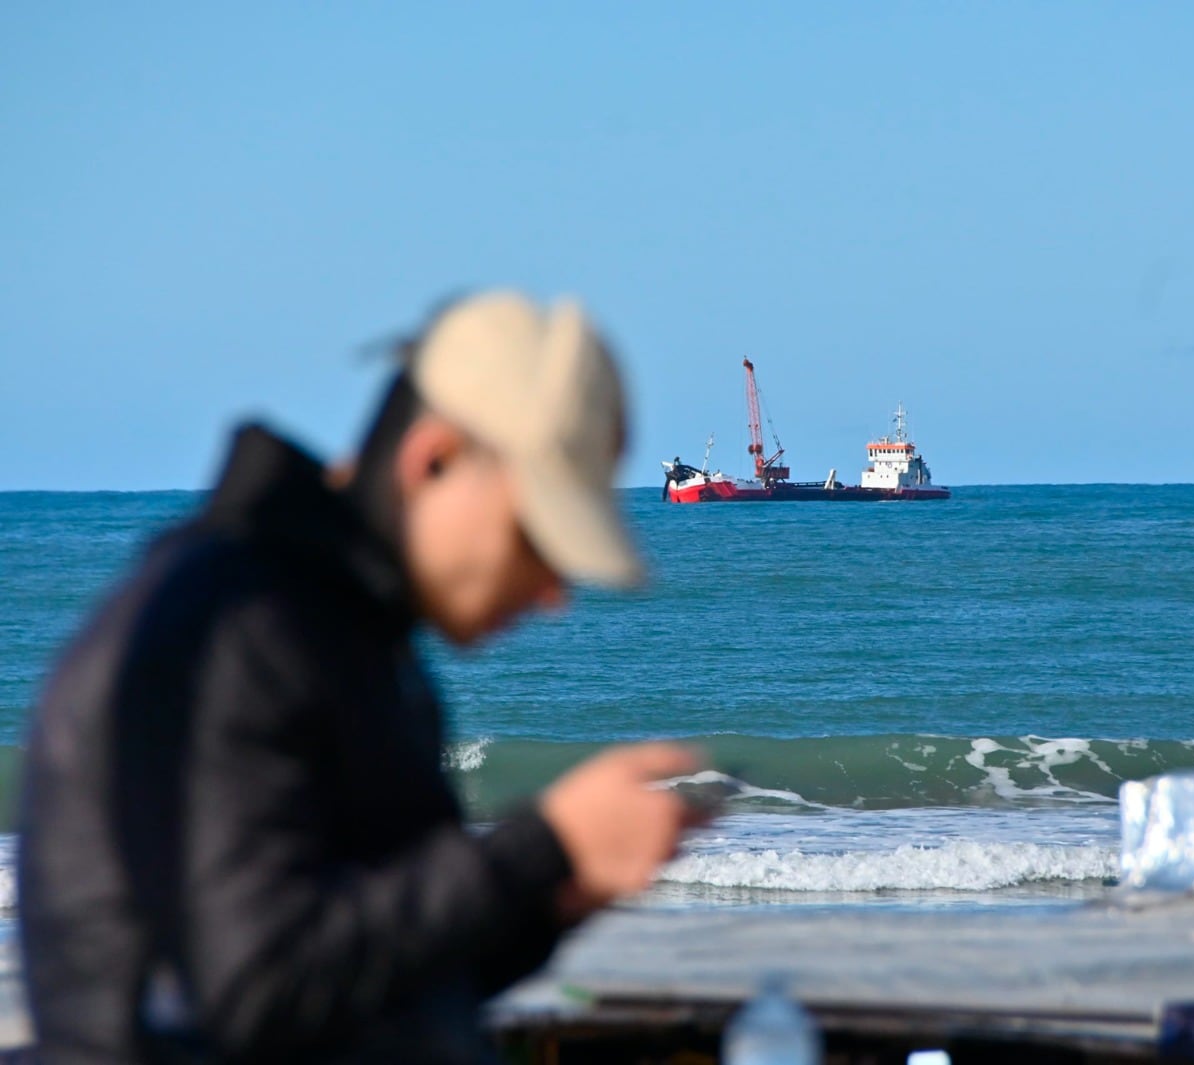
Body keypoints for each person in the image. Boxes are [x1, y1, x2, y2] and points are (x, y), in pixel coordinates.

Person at [18, 291, 705, 1063]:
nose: (552, 592)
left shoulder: (338, 626)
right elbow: (256, 986)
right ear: (432, 459)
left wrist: (556, 891)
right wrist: (539, 846)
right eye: (535, 536)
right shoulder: (237, 623)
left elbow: (380, 969)